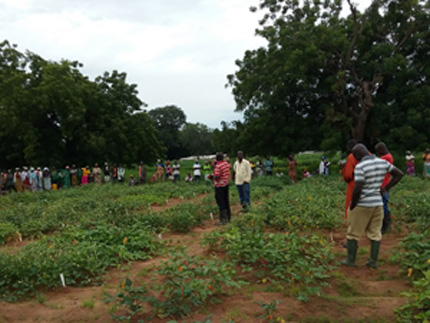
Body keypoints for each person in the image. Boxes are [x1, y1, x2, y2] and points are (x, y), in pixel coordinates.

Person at [342, 144, 403, 268]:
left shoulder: (360, 167)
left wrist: (353, 204)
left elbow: (358, 188)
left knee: (353, 233)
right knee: (375, 233)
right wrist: (385, 188)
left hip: (362, 204)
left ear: (358, 155)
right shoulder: (382, 162)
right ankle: (373, 262)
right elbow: (399, 174)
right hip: (377, 203)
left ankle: (351, 260)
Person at [375, 142, 394, 234]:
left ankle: (384, 225)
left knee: (383, 205)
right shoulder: (388, 156)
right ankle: (384, 224)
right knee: (383, 204)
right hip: (384, 183)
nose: (378, 153)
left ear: (382, 149)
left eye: (378, 151)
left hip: (383, 185)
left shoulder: (385, 158)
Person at [212, 152, 231, 225]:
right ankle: (228, 217)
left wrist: (212, 177)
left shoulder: (218, 166)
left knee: (221, 202)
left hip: (219, 186)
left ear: (217, 158)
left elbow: (217, 177)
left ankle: (223, 219)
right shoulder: (226, 164)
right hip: (225, 184)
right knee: (226, 201)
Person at [343, 140, 358, 219]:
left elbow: (348, 175)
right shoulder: (369, 155)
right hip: (369, 184)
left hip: (354, 183)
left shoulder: (352, 156)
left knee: (351, 203)